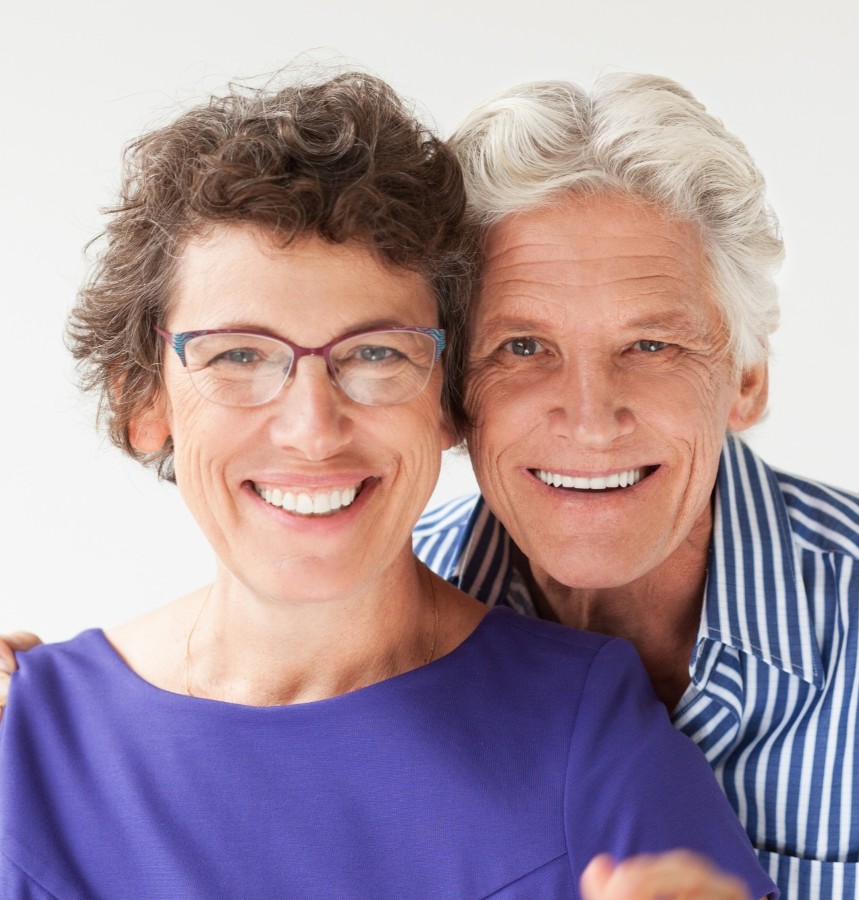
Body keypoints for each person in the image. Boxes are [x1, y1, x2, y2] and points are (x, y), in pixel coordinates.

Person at [0, 71, 775, 899]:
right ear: (144, 402)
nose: (311, 426)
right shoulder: (29, 736)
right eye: (238, 355)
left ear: (447, 402)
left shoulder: (590, 720)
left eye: (375, 354)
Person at [411, 74, 859, 898]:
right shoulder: (373, 631)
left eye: (651, 345)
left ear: (746, 378)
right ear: (456, 391)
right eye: (524, 347)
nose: (593, 421)